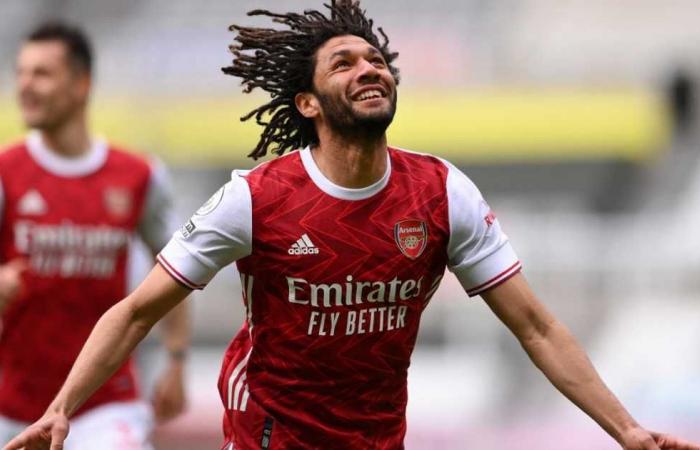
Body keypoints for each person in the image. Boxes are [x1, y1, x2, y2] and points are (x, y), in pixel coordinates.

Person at [4, 3, 698, 450]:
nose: (369, 69)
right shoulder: (255, 200)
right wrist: (64, 408)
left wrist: (626, 430)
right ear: (307, 102)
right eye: (344, 63)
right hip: (270, 431)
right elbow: (135, 311)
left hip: (377, 437)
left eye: (376, 61)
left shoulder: (442, 193)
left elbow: (537, 327)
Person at [0, 22, 189, 449]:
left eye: (41, 73)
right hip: (13, 404)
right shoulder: (6, 171)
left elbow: (177, 268)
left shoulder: (138, 176)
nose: (25, 85)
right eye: (21, 73)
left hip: (107, 403)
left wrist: (176, 358)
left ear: (81, 84)